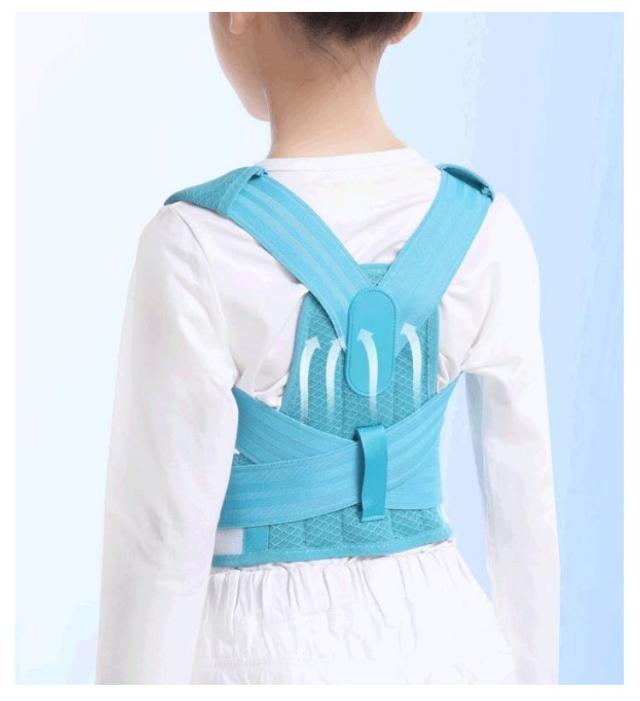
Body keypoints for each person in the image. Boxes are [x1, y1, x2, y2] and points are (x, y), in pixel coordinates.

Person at [96, 12, 560, 684]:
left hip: (256, 657)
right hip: (449, 644)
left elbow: (159, 541)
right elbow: (527, 513)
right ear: (408, 18)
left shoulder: (195, 242)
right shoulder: (488, 229)